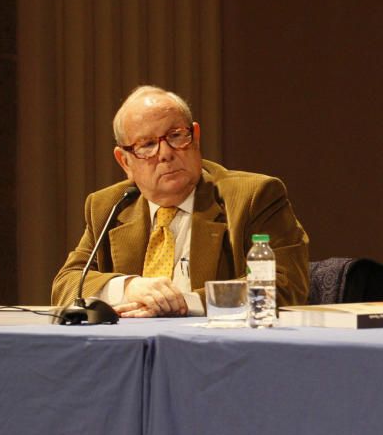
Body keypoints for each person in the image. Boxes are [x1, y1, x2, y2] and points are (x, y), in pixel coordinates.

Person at [51, 85, 309, 317]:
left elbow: (284, 287)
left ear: (195, 137)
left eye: (176, 136)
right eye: (147, 145)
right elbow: (66, 284)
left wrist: (185, 303)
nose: (165, 154)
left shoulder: (253, 196)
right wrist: (129, 287)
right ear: (124, 161)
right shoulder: (108, 205)